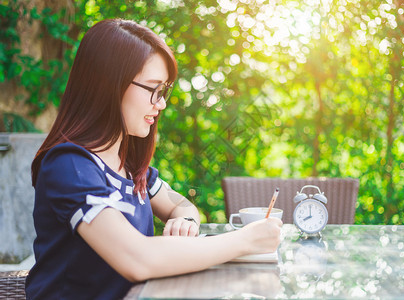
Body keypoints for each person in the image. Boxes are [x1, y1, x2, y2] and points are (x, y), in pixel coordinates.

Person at [25, 19, 282, 299]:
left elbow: (183, 205)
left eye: (163, 92)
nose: (160, 104)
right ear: (109, 85)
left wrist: (185, 220)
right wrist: (246, 240)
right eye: (152, 90)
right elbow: (138, 259)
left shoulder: (131, 166)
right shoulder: (70, 166)